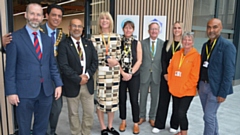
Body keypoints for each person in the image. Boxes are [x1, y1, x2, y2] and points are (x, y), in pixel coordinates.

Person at [4, 3, 63, 135]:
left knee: (41, 128)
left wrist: (58, 84)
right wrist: (11, 92)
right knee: (24, 129)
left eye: (38, 14)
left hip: (46, 92)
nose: (35, 17)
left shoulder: (47, 40)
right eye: (32, 14)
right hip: (23, 93)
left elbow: (52, 65)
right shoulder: (14, 38)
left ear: (43, 17)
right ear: (25, 15)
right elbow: (10, 68)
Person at [57, 18, 98, 135]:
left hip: (87, 83)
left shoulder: (88, 43)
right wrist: (78, 78)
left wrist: (87, 75)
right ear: (69, 28)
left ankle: (86, 132)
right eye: (74, 26)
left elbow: (95, 62)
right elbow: (63, 65)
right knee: (73, 113)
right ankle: (76, 133)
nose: (77, 29)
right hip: (72, 84)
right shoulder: (64, 44)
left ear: (82, 29)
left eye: (79, 26)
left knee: (89, 112)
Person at [198, 18, 236, 135]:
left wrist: (223, 92)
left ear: (221, 28)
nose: (211, 30)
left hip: (215, 89)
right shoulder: (205, 45)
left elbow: (229, 72)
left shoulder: (227, 46)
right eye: (209, 27)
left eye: (215, 27)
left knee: (208, 117)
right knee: (210, 116)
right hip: (203, 86)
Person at [91, 11, 121, 135]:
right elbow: (93, 56)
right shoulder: (94, 38)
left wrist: (116, 61)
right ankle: (103, 126)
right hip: (101, 73)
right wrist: (106, 60)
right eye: (102, 19)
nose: (104, 21)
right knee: (101, 101)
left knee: (112, 101)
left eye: (107, 19)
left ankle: (110, 126)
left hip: (114, 74)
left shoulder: (117, 37)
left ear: (110, 22)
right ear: (99, 22)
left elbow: (119, 54)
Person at [152, 21, 184, 134]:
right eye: (175, 28)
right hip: (166, 77)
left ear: (182, 30)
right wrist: (165, 73)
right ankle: (159, 124)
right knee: (163, 101)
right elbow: (163, 60)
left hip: (178, 79)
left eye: (179, 28)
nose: (176, 30)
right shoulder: (167, 43)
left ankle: (174, 124)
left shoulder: (184, 45)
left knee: (177, 102)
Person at [39, 4, 66, 135]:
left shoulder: (63, 35)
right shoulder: (38, 31)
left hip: (57, 78)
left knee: (57, 108)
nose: (56, 18)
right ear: (47, 16)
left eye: (59, 16)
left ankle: (51, 131)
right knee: (43, 108)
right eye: (54, 15)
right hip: (40, 77)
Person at [167, 32, 201, 135]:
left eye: (189, 40)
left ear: (193, 42)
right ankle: (181, 131)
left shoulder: (196, 56)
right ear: (182, 41)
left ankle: (184, 132)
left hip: (187, 91)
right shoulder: (177, 54)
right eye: (185, 39)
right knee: (176, 112)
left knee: (182, 113)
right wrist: (170, 84)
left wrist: (184, 88)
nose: (187, 42)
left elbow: (194, 77)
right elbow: (170, 70)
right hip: (175, 89)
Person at [118, 21, 142, 134]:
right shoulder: (119, 42)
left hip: (134, 75)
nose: (128, 30)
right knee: (122, 99)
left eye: (130, 28)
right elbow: (116, 60)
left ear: (133, 30)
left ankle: (136, 123)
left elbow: (139, 60)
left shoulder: (137, 43)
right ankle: (123, 121)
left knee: (134, 100)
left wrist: (130, 73)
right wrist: (123, 73)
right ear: (123, 29)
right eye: (126, 28)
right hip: (121, 75)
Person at [138, 21, 164, 127]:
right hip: (144, 74)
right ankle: (142, 116)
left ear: (159, 31)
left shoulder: (163, 44)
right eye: (152, 29)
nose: (154, 31)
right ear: (148, 31)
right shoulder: (142, 43)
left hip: (157, 74)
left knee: (155, 97)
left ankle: (152, 117)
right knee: (142, 96)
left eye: (156, 29)